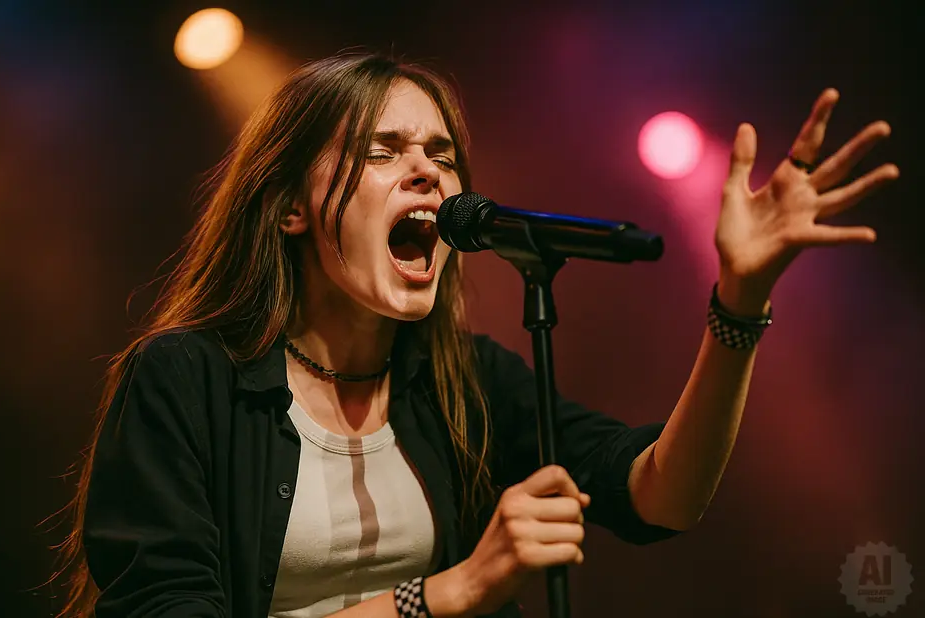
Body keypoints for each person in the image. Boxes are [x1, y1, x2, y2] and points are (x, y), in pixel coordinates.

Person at [53, 52, 898, 618]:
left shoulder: (460, 382)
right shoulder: (186, 379)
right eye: (383, 151)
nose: (426, 169)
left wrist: (740, 303)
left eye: (441, 153)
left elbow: (660, 495)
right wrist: (444, 593)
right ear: (291, 208)